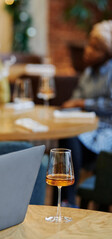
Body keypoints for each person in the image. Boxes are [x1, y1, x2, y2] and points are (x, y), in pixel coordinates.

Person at [58, 20, 112, 207]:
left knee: (70, 139)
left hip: (106, 129)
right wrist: (70, 105)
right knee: (68, 135)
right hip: (86, 127)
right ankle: (67, 199)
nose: (88, 50)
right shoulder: (88, 72)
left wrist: (83, 103)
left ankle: (68, 198)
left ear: (107, 52)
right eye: (89, 44)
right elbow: (76, 96)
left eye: (95, 48)